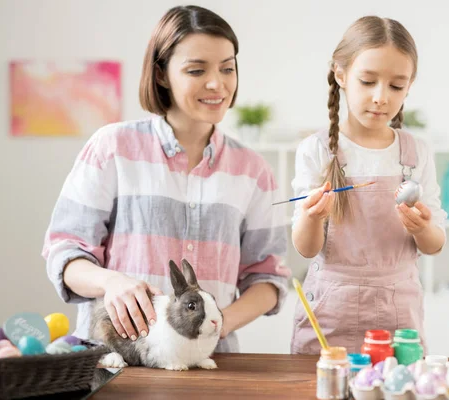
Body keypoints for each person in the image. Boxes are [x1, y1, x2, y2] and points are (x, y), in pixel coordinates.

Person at [42, 5, 290, 353]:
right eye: (196, 69)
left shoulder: (253, 170)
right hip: (115, 361)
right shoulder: (112, 148)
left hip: (210, 365)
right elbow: (64, 253)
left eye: (227, 68)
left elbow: (269, 277)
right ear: (161, 74)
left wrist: (219, 323)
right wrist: (112, 282)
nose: (216, 83)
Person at [290, 16, 447, 355]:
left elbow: (434, 244)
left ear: (410, 85)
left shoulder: (416, 152)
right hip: (329, 318)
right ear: (341, 74)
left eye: (395, 86)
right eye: (368, 81)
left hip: (398, 317)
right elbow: (304, 247)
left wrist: (423, 228)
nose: (381, 97)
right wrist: (312, 216)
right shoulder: (316, 151)